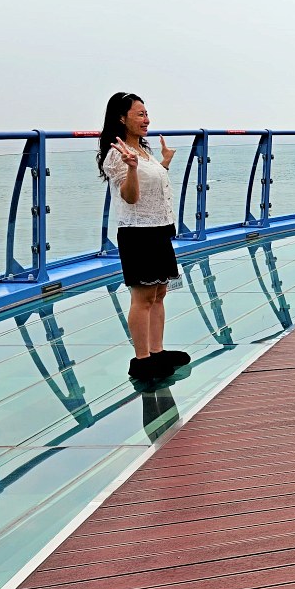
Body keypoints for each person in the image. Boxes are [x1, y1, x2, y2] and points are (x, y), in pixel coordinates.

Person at [98, 91, 191, 383]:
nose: (146, 119)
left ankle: (157, 352)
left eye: (146, 113)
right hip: (137, 233)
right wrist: (131, 167)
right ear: (121, 118)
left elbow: (152, 187)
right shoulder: (118, 154)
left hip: (160, 228)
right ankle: (142, 360)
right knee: (143, 297)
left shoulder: (143, 150)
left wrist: (163, 163)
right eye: (139, 114)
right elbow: (131, 196)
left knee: (160, 293)